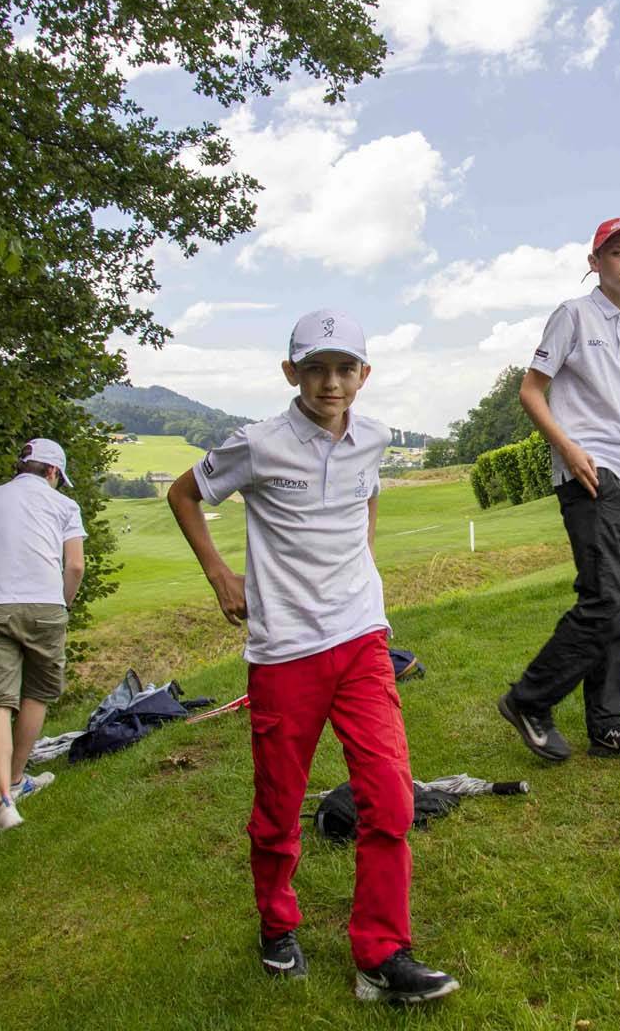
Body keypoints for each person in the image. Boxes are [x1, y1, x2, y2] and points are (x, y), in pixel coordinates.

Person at [166, 309, 459, 1006]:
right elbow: (184, 494)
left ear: (364, 374)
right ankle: (277, 925)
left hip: (361, 641)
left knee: (390, 798)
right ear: (290, 373)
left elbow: (368, 500)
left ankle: (381, 956)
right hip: (285, 653)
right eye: (316, 369)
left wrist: (362, 565)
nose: (332, 383)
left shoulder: (374, 439)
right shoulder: (257, 444)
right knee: (277, 807)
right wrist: (220, 576)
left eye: (345, 369)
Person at [498, 216, 620, 765]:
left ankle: (609, 726)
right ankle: (529, 700)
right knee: (606, 599)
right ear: (595, 262)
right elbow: (531, 390)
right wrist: (567, 448)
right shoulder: (573, 315)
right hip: (587, 471)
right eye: (617, 252)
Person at [0, 438, 87, 832]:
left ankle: (3, 801)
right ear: (53, 471)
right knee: (37, 692)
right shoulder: (64, 505)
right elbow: (75, 566)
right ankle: (15, 779)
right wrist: (62, 605)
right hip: (46, 606)